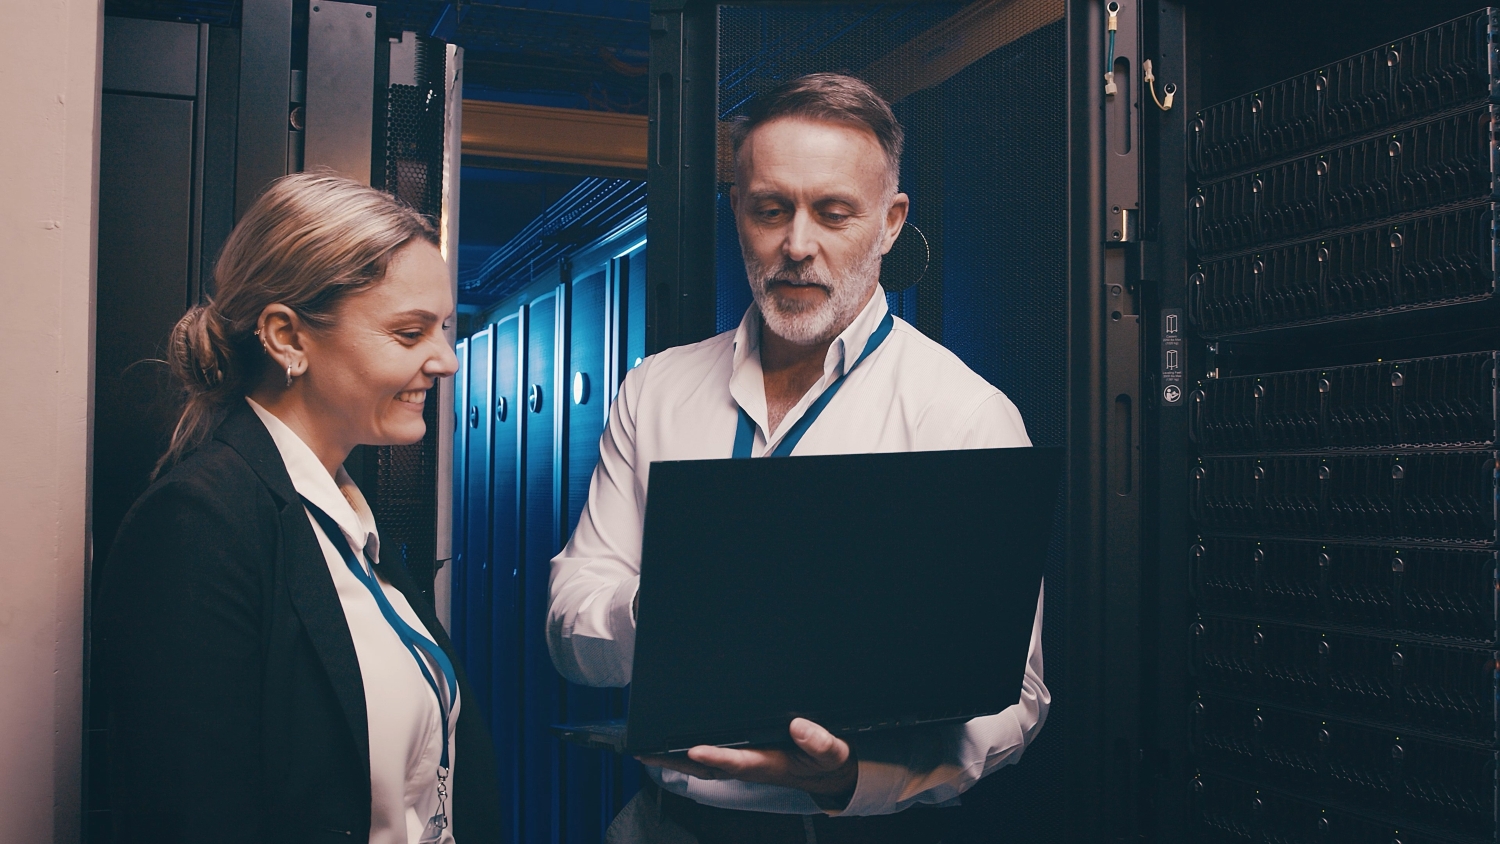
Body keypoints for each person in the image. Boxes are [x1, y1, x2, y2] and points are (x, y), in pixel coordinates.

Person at [547, 73, 1048, 843]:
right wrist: (661, 606)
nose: (797, 245)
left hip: (863, 829)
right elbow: (569, 635)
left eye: (834, 212)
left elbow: (1018, 698)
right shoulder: (656, 390)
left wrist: (856, 779)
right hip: (666, 826)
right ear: (738, 212)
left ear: (890, 223)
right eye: (770, 210)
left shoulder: (963, 415)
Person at [97, 173, 501, 843]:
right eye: (409, 333)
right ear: (287, 336)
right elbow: (194, 819)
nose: (446, 360)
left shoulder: (344, 520)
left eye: (444, 329)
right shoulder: (199, 525)